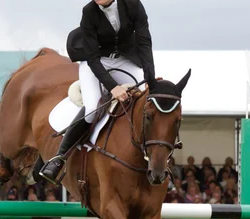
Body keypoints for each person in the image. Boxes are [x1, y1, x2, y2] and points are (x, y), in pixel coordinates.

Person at [40, 0, 162, 185]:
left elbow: (144, 41)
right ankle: (59, 158)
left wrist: (150, 78)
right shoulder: (89, 11)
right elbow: (92, 57)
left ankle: (155, 160)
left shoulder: (133, 4)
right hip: (96, 62)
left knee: (146, 103)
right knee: (92, 109)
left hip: (125, 60)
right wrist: (113, 87)